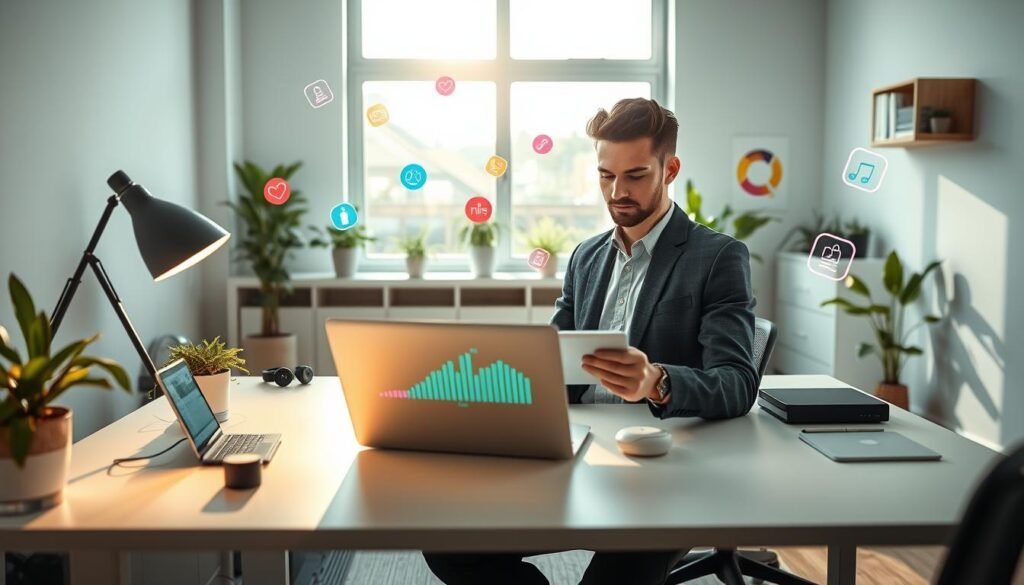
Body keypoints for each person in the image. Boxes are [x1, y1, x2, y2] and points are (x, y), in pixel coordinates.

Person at [424, 97, 758, 585]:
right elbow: (548, 359)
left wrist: (657, 381)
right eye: (606, 175)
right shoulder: (586, 257)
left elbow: (736, 383)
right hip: (577, 456)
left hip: (664, 472)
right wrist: (485, 394)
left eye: (636, 175)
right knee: (447, 544)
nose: (618, 191)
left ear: (671, 169)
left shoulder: (718, 257)